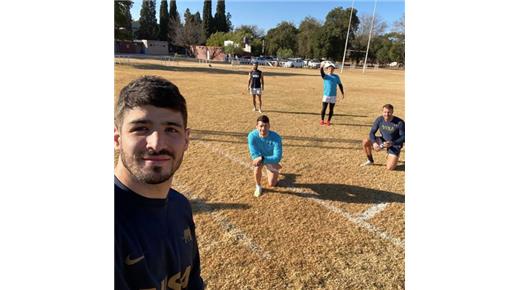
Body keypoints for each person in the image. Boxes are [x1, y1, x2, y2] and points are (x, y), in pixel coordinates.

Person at [114, 76, 204, 289]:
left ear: (186, 139)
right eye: (141, 128)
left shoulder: (180, 206)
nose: (156, 144)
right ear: (116, 138)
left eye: (171, 129)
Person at [361, 104, 405, 170]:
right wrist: (374, 143)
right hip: (383, 140)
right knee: (365, 141)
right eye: (385, 112)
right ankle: (370, 160)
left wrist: (392, 143)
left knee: (390, 168)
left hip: (394, 144)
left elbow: (404, 137)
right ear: (382, 112)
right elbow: (372, 132)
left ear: (392, 112)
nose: (386, 114)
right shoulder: (379, 119)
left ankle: (395, 154)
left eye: (389, 112)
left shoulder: (400, 122)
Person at [247, 115, 283, 197]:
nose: (263, 128)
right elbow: (254, 154)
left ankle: (270, 168)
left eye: (265, 126)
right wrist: (261, 159)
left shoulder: (276, 138)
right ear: (257, 126)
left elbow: (277, 157)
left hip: (270, 158)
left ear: (269, 126)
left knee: (272, 184)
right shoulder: (251, 136)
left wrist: (264, 160)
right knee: (257, 166)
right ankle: (258, 186)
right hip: (260, 157)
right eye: (261, 126)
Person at [319, 61, 344, 126]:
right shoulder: (325, 76)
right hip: (326, 95)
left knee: (331, 109)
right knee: (324, 108)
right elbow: (322, 73)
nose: (331, 70)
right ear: (327, 69)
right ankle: (322, 120)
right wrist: (321, 66)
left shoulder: (336, 76)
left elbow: (340, 85)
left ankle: (328, 121)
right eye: (329, 68)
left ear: (334, 70)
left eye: (332, 69)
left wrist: (342, 93)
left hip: (333, 96)